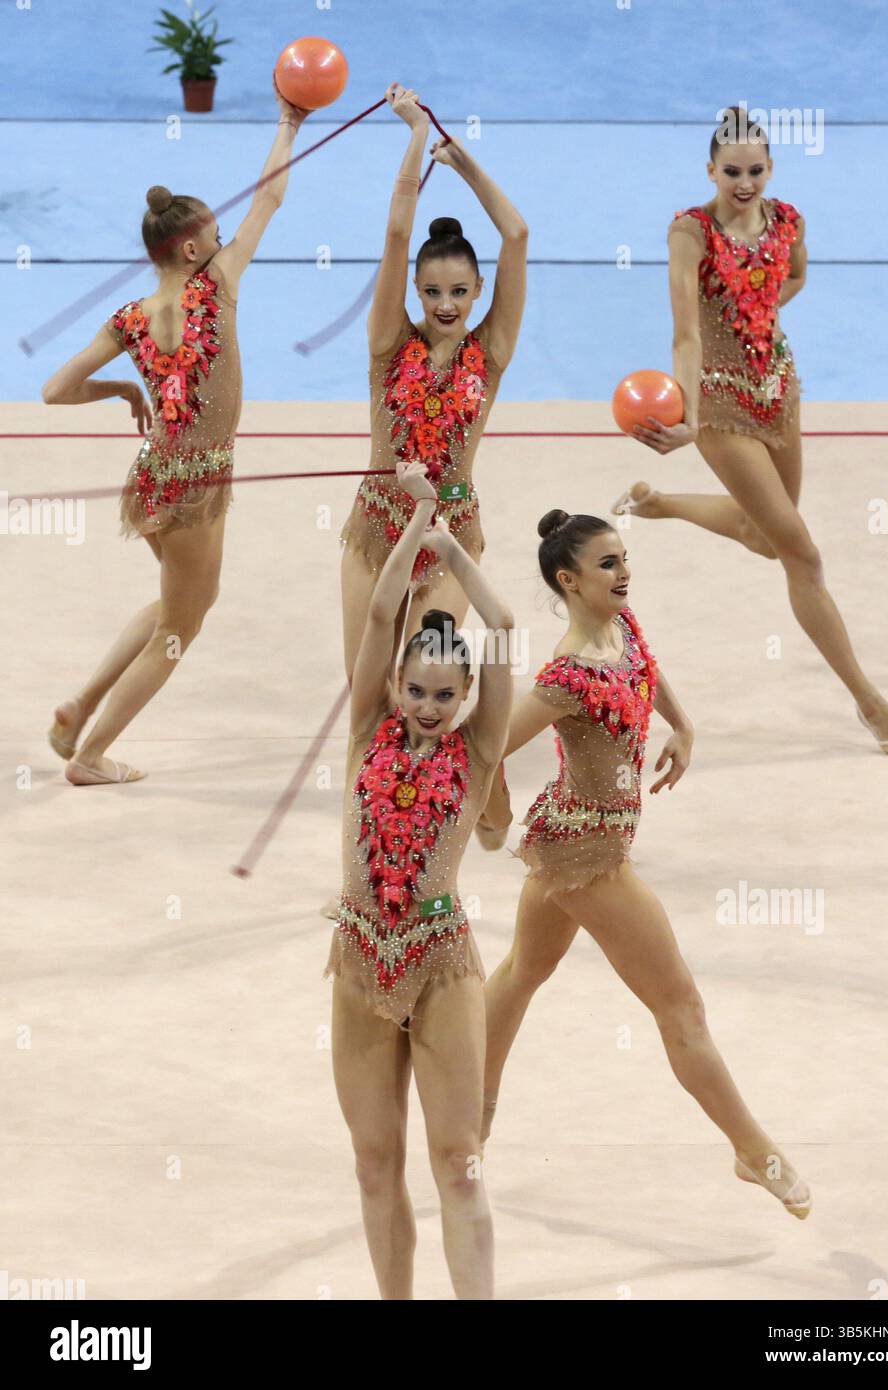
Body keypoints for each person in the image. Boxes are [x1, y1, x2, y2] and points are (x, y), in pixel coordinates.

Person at [477, 510, 812, 1220]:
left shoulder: (621, 628)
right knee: (680, 1007)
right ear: (569, 580)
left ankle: (464, 1124)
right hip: (587, 855)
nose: (623, 572)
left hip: (578, 837)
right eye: (606, 565)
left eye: (623, 559)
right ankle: (754, 1151)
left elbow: (647, 671)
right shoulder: (565, 677)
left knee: (520, 974)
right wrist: (491, 813)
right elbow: (485, 747)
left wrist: (683, 724)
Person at [613, 105, 888, 756]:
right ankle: (869, 701)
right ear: (710, 170)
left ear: (771, 169)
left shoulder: (788, 221)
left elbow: (797, 273)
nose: (744, 182)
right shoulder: (689, 233)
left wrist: (758, 306)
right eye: (732, 172)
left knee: (763, 535)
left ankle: (657, 505)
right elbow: (687, 332)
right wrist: (690, 416)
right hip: (722, 407)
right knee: (802, 555)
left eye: (755, 171)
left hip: (781, 391)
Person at [43, 79, 311, 783]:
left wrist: (121, 386)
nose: (226, 244)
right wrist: (291, 123)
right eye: (215, 238)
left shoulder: (129, 316)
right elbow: (271, 197)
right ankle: (92, 753)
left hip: (153, 473)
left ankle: (80, 705)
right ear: (192, 250)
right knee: (180, 628)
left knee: (175, 603)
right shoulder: (216, 286)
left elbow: (54, 391)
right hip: (195, 485)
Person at [325, 458, 514, 1298]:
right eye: (417, 689)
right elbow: (376, 610)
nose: (429, 706)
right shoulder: (367, 728)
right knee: (373, 1163)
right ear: (395, 686)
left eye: (445, 692)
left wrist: (452, 545)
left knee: (458, 1163)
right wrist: (416, 518)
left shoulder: (477, 755)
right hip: (360, 957)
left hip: (439, 966)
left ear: (467, 694)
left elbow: (503, 624)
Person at [339, 82, 527, 688]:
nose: (446, 305)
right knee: (369, 694)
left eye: (460, 291)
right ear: (416, 292)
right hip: (378, 526)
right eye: (432, 291)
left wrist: (466, 164)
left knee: (429, 688)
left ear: (477, 292)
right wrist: (417, 135)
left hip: (450, 534)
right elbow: (397, 237)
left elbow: (517, 236)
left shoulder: (490, 352)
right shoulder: (389, 342)